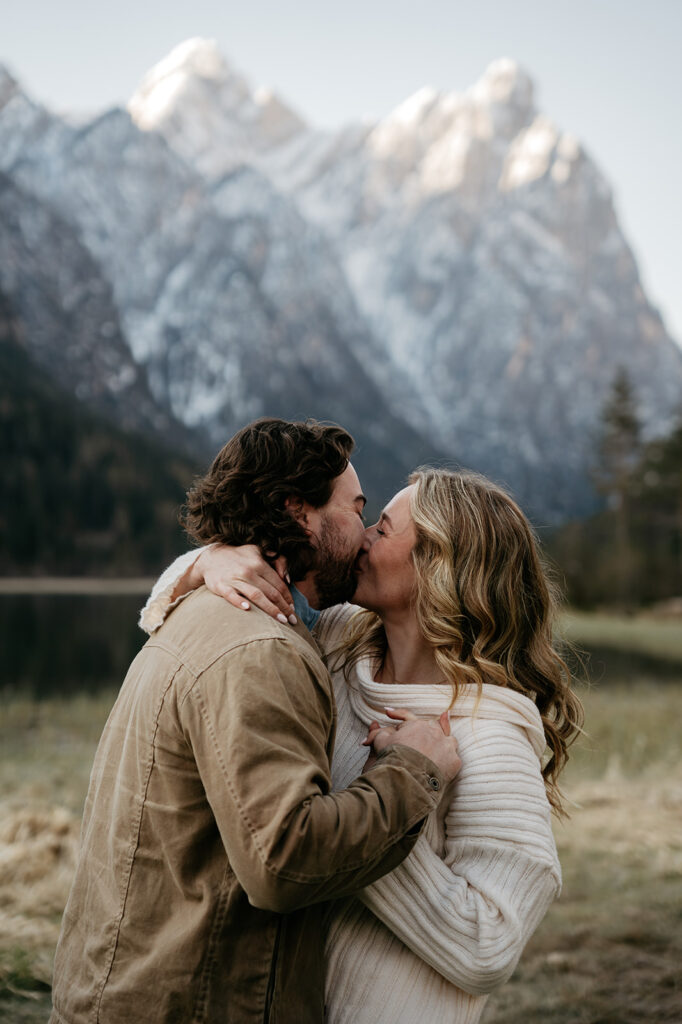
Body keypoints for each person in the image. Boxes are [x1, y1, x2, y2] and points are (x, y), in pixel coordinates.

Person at [49, 419, 462, 1024]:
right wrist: (414, 770)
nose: (367, 531)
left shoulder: (206, 608)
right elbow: (284, 859)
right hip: (190, 1004)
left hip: (136, 991)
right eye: (356, 508)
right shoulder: (258, 651)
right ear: (299, 511)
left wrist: (201, 562)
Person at [145, 466, 584, 1024]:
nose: (361, 537)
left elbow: (488, 947)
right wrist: (207, 562)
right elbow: (171, 615)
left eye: (382, 526)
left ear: (438, 564)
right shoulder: (337, 642)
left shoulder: (490, 738)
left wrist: (366, 815)